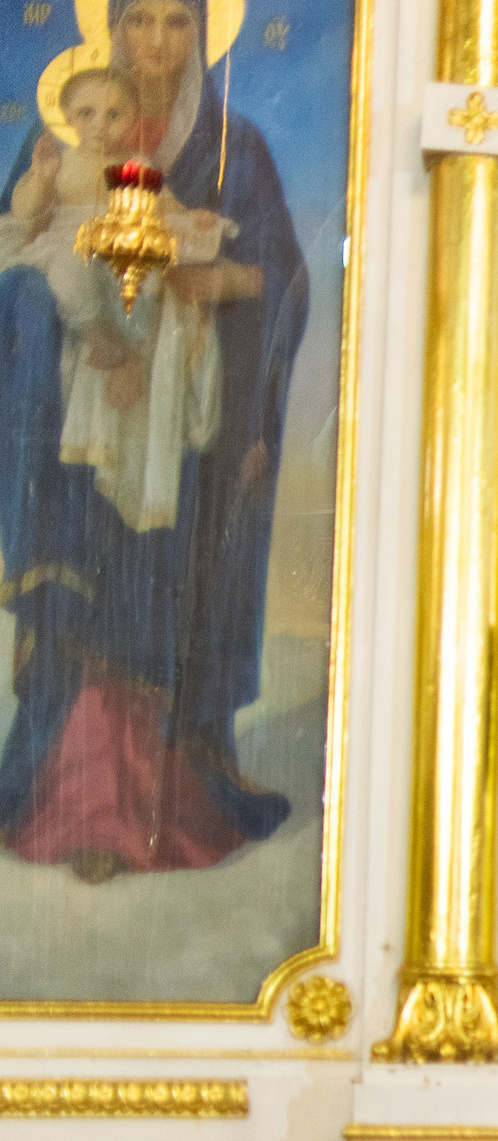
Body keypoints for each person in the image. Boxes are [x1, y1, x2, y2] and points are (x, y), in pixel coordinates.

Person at [0, 0, 309, 880]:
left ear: (204, 32)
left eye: (178, 22)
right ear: (112, 29)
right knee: (79, 605)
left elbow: (283, 275)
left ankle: (160, 806)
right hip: (74, 431)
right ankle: (70, 802)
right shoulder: (58, 144)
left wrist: (225, 279)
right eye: (140, 20)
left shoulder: (234, 148)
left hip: (178, 428)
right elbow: (17, 252)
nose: (158, 42)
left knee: (157, 595)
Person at [0, 65, 225, 539]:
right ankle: (102, 340)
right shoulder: (59, 163)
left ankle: (131, 355)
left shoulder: (135, 169)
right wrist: (40, 178)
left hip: (117, 252)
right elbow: (23, 211)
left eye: (114, 114)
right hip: (68, 247)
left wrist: (196, 219)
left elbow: (170, 210)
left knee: (146, 275)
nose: (100, 125)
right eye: (87, 113)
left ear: (134, 117)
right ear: (66, 116)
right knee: (68, 274)